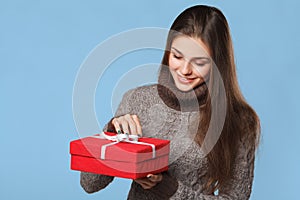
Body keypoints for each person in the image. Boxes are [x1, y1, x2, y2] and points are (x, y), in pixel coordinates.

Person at [80, 5, 260, 200]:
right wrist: (111, 134)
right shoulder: (137, 100)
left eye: (199, 62)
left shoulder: (239, 120)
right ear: (167, 52)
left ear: (218, 63)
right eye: (177, 56)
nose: (184, 70)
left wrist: (167, 188)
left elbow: (235, 198)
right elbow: (89, 183)